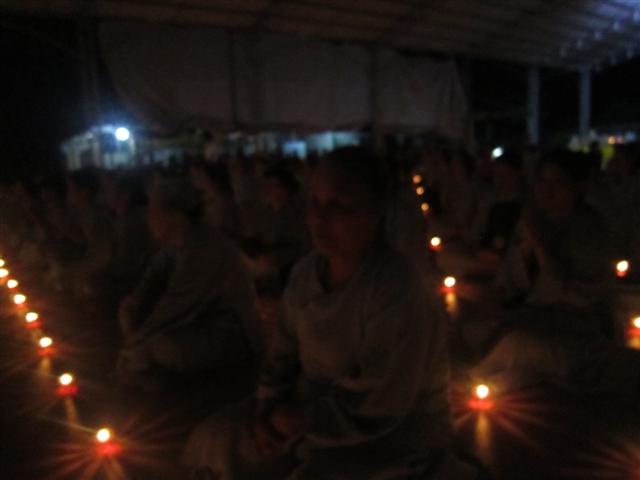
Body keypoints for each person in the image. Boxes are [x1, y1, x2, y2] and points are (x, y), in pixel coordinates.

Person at [183, 147, 474, 479]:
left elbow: (382, 399)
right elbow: (282, 356)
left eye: (339, 207)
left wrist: (299, 421)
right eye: (315, 203)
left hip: (388, 432)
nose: (319, 219)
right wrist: (269, 410)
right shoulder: (304, 273)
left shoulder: (398, 288)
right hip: (303, 411)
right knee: (216, 437)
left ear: (376, 212)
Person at [471, 151, 640, 395]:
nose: (546, 191)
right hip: (536, 317)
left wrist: (538, 243)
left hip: (581, 325)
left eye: (558, 183)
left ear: (581, 186)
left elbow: (573, 293)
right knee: (479, 329)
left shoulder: (591, 227)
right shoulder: (537, 220)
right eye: (542, 182)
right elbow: (512, 280)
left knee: (518, 345)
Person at [116, 176, 263, 389]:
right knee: (141, 334)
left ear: (176, 215)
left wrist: (133, 342)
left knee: (159, 348)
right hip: (198, 324)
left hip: (232, 334)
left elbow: (174, 306)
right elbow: (150, 280)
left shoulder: (204, 249)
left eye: (154, 211)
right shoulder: (175, 245)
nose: (149, 218)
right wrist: (133, 304)